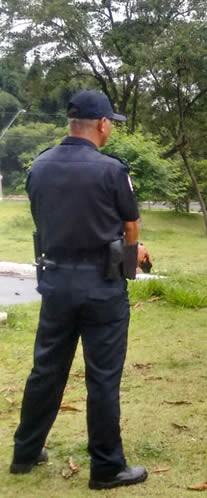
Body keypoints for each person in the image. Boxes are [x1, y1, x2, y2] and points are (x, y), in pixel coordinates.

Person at [10, 90, 149, 490]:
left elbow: (44, 219)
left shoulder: (39, 167)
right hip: (101, 285)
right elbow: (131, 226)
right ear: (102, 124)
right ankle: (106, 467)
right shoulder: (111, 170)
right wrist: (130, 256)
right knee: (102, 378)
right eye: (111, 125)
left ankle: (25, 452)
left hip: (55, 282)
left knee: (46, 370)